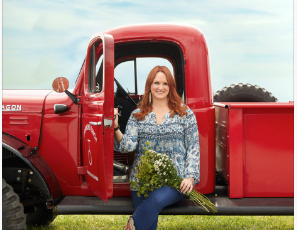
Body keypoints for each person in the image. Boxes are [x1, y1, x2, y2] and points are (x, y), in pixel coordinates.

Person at [114, 65, 200, 230]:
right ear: (149, 86)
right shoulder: (137, 115)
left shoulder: (185, 114)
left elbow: (193, 147)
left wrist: (190, 177)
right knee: (149, 223)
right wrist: (116, 128)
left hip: (175, 180)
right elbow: (128, 146)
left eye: (165, 83)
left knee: (156, 200)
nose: (161, 87)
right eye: (156, 83)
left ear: (171, 87)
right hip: (142, 180)